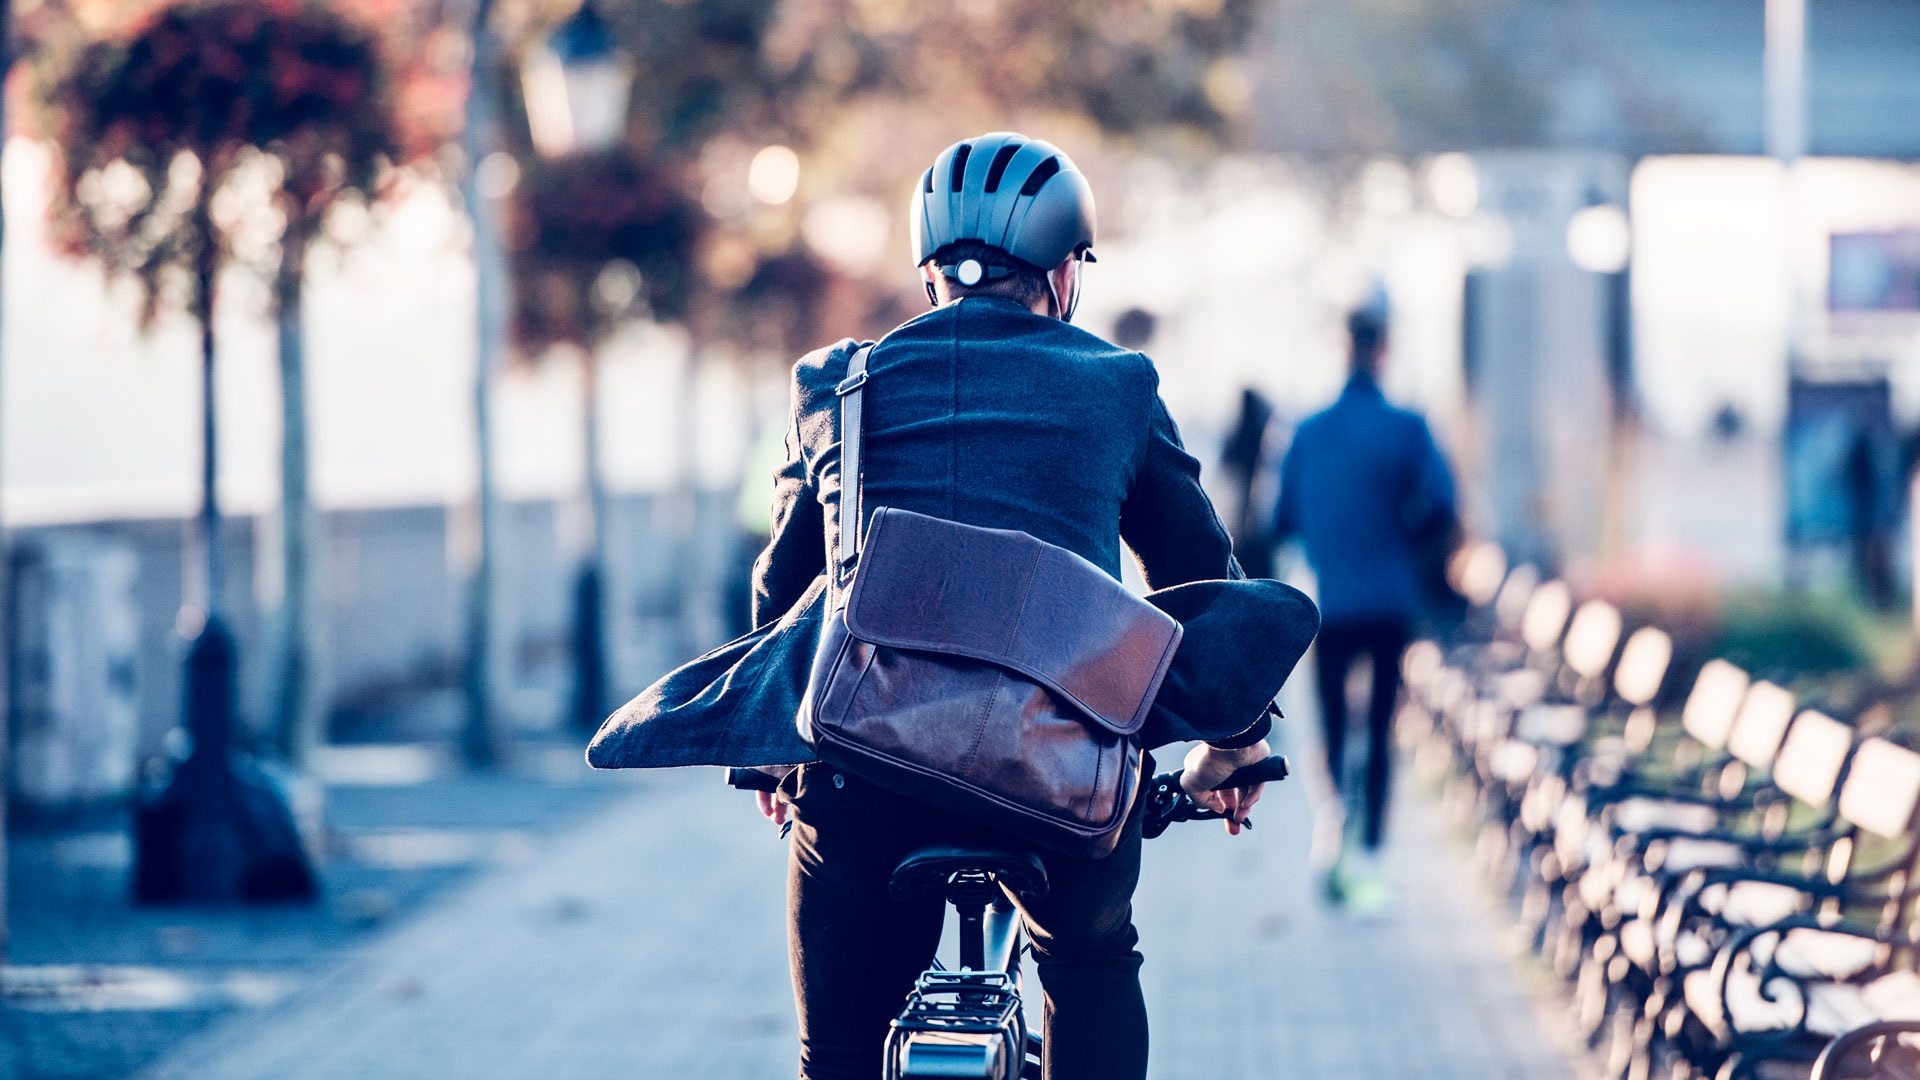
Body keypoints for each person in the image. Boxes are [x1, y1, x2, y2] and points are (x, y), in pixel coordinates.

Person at [752, 133, 1274, 1079]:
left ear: (929, 277)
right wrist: (1233, 746)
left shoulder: (836, 383)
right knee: (1089, 959)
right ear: (1066, 273)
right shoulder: (1116, 385)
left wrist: (768, 754)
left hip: (866, 773)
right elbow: (1201, 583)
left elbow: (782, 594)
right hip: (1061, 772)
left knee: (836, 1053)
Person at [1274, 305, 1456, 910]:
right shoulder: (1407, 428)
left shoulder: (1308, 431)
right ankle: (1373, 854)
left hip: (1328, 603)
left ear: (1343, 349)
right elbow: (1442, 508)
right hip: (1389, 600)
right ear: (1384, 351)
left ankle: (1332, 827)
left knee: (1328, 725)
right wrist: (1404, 535)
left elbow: (1284, 520)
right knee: (1378, 728)